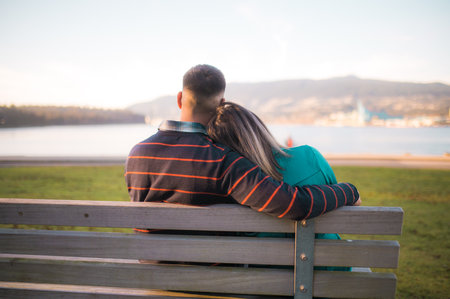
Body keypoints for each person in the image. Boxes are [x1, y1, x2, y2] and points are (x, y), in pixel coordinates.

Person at [125, 64, 360, 226]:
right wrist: (349, 191)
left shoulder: (136, 156)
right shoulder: (224, 161)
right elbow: (293, 204)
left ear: (179, 99)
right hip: (210, 281)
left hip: (154, 275)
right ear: (222, 104)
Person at [207, 101, 351, 271]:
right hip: (330, 276)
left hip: (267, 286)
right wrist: (350, 192)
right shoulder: (309, 157)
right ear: (259, 130)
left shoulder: (231, 187)